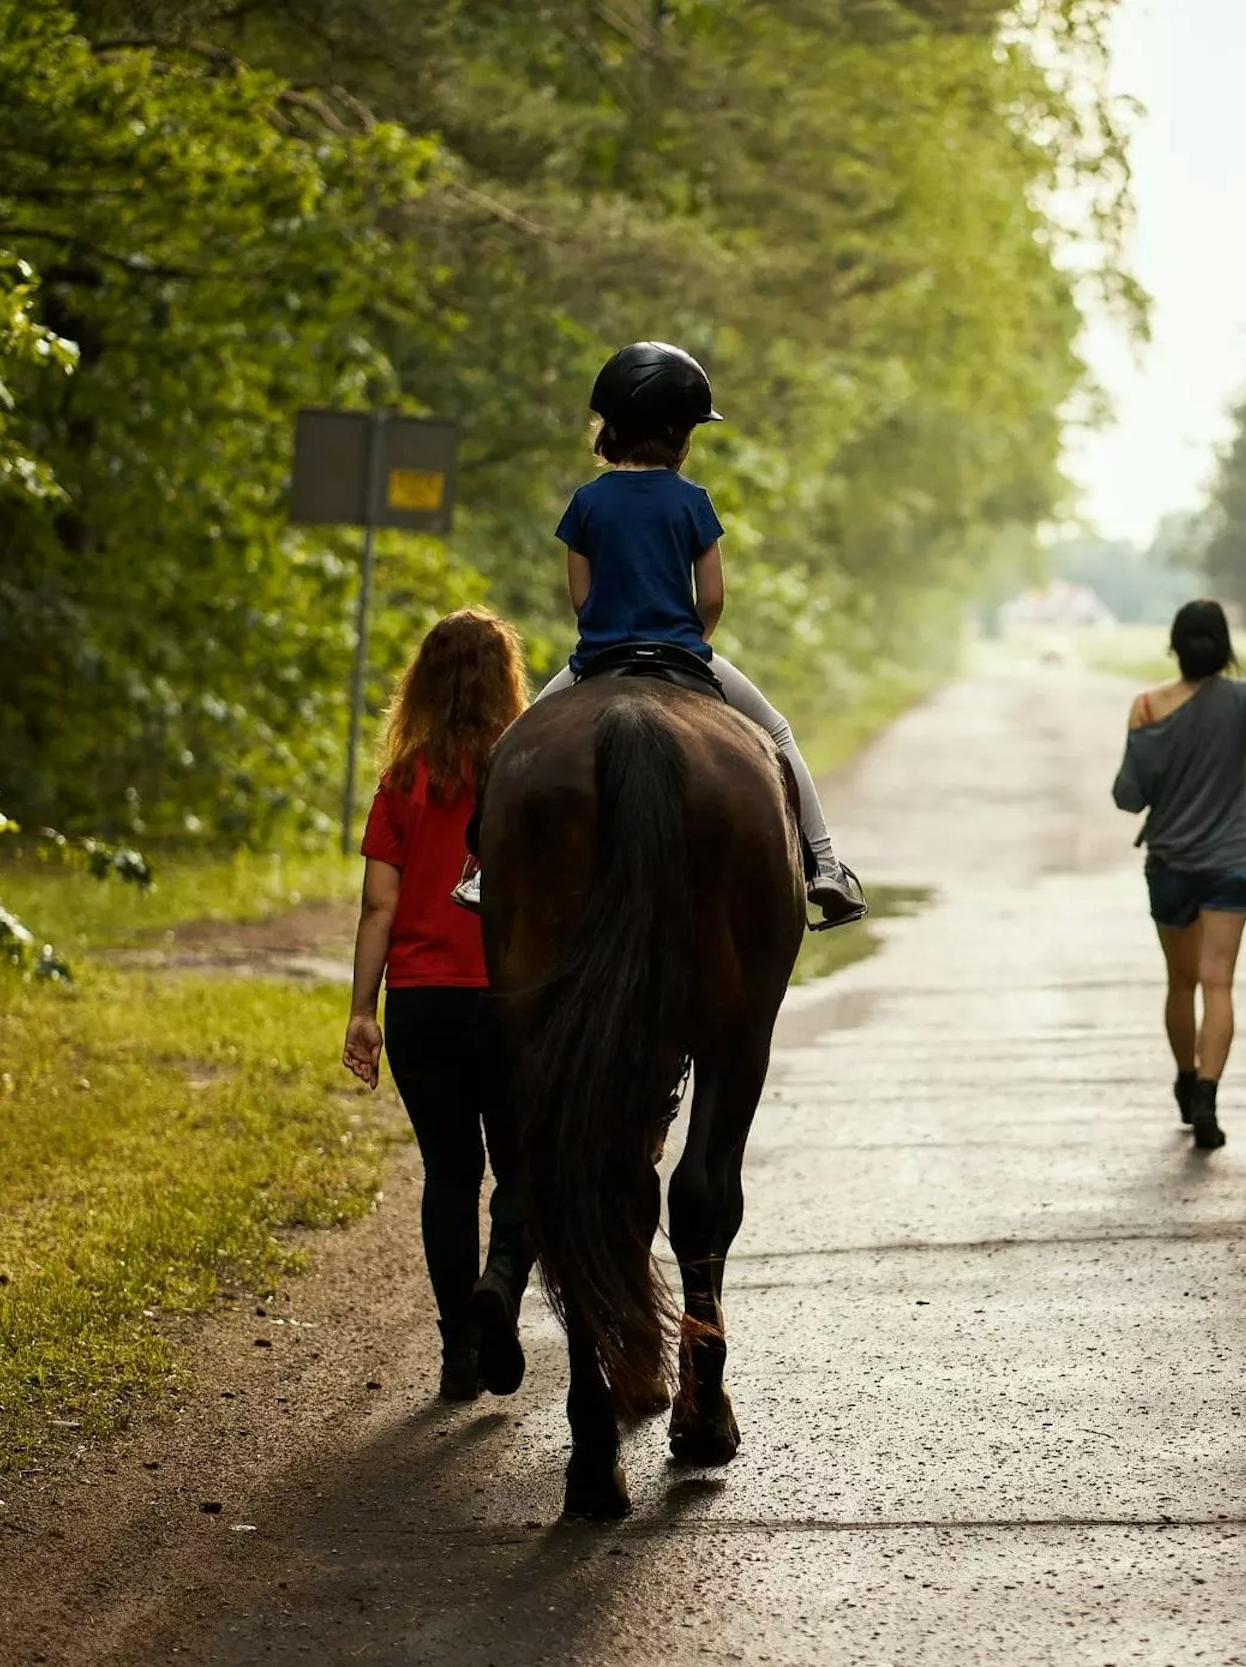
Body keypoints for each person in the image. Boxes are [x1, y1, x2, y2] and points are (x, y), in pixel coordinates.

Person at [451, 341, 865, 928]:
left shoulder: (586, 502)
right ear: (677, 434)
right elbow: (713, 597)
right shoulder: (693, 501)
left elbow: (581, 599)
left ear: (613, 429)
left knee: (513, 746)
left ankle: (485, 869)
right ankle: (823, 865)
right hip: (683, 653)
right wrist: (691, 642)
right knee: (776, 731)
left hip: (597, 659)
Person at [343, 608, 536, 1403]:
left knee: (449, 1175)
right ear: (506, 680)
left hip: (422, 1006)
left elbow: (377, 908)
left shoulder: (402, 782)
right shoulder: (529, 776)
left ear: (422, 684)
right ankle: (502, 1281)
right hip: (511, 1001)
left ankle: (459, 1349)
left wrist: (363, 1011)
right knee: (524, 1165)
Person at [1112, 600, 1246, 1150]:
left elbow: (1127, 797)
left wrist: (1153, 754)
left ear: (1173, 646)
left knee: (1180, 982)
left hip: (1170, 864)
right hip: (1232, 863)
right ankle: (1208, 1099)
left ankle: (1186, 1082)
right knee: (1218, 983)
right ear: (1226, 647)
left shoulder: (1146, 708)